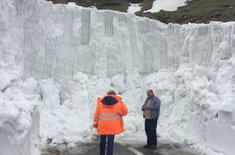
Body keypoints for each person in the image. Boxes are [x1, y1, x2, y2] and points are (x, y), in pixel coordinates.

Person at [93, 90, 128, 155]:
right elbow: (125, 112)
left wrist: (95, 123)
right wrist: (121, 102)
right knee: (110, 142)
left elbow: (96, 114)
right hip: (112, 126)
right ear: (114, 94)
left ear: (107, 94)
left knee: (102, 141)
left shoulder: (100, 103)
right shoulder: (118, 103)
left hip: (103, 125)